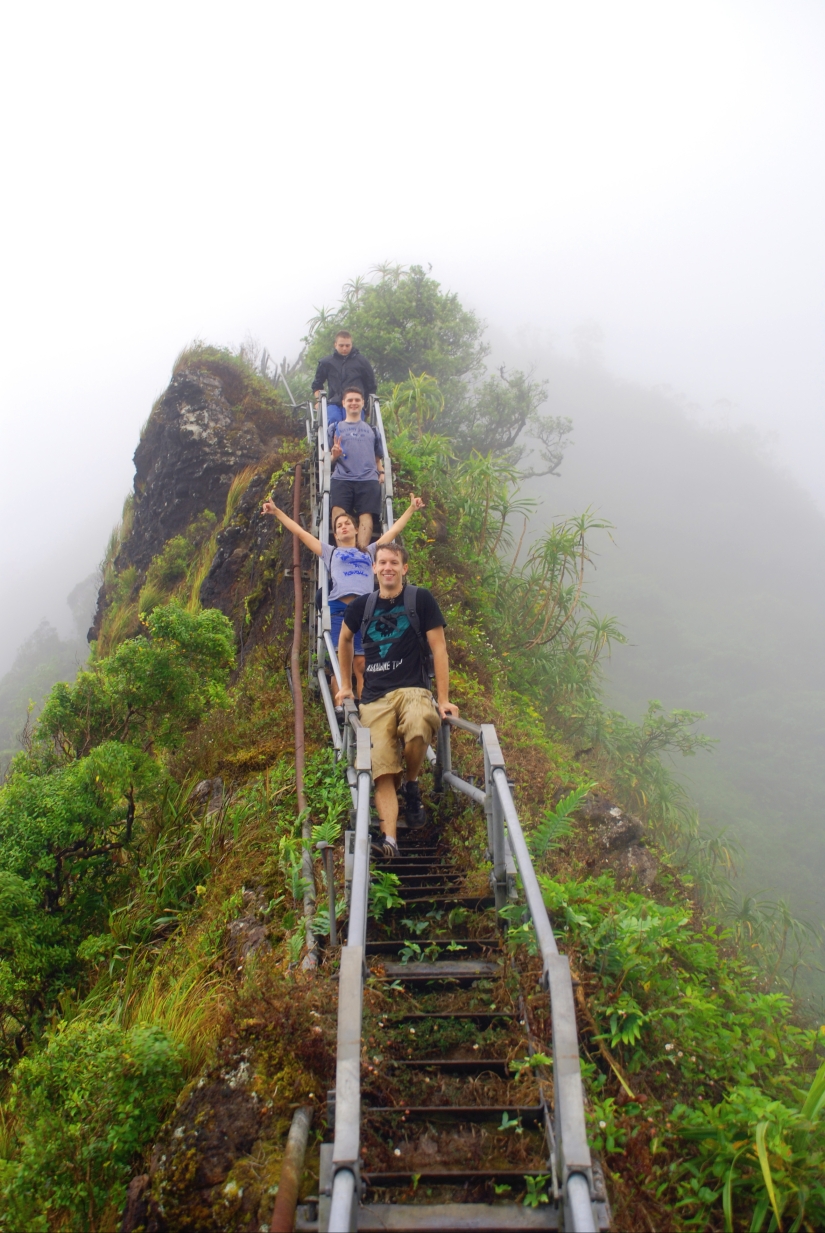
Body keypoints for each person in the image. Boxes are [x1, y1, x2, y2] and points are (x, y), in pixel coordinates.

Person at [336, 542, 460, 859]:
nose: (388, 567)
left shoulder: (420, 599)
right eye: (382, 562)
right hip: (374, 699)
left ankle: (413, 783)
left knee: (420, 727)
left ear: (404, 568)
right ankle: (390, 841)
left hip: (413, 689)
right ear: (374, 569)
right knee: (382, 770)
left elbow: (439, 648)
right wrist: (346, 686)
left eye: (394, 562)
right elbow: (344, 640)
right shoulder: (361, 607)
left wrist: (443, 699)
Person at [261, 493, 426, 699]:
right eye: (339, 526)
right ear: (336, 534)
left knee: (362, 664)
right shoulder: (330, 552)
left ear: (357, 529)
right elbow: (301, 533)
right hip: (340, 609)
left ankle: (365, 706)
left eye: (347, 523)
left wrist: (411, 509)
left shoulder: (369, 552)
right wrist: (276, 512)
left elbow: (393, 531)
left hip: (367, 611)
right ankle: (342, 708)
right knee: (341, 662)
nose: (343, 527)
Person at [329, 387, 385, 549]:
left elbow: (377, 456)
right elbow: (328, 460)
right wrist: (335, 455)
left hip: (368, 478)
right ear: (343, 404)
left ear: (362, 404)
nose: (353, 403)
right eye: (350, 400)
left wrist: (380, 472)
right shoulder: (335, 428)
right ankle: (343, 551)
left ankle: (359, 552)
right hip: (342, 477)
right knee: (337, 512)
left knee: (366, 515)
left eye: (357, 400)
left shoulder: (372, 430)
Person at [312, 331, 377, 425]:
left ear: (351, 344)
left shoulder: (362, 362)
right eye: (341, 345)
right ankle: (334, 439)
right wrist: (319, 401)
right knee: (334, 421)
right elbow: (317, 385)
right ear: (335, 345)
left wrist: (367, 406)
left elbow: (371, 386)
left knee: (353, 423)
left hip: (354, 403)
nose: (344, 348)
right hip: (334, 403)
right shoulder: (326, 363)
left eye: (347, 345)